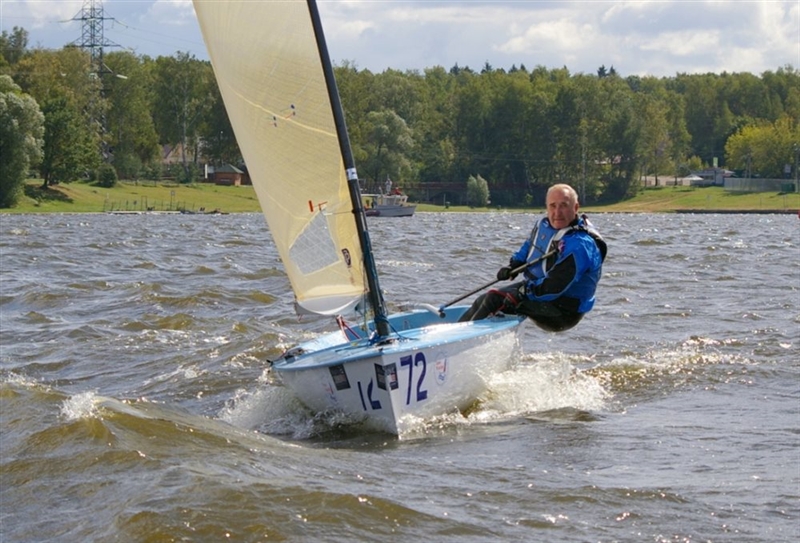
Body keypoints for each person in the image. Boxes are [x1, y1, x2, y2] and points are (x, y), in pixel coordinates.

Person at [459, 183, 607, 331]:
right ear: (547, 207)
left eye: (563, 205)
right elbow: (530, 246)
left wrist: (523, 292)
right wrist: (514, 265)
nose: (557, 212)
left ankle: (465, 339)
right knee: (483, 299)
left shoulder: (580, 246)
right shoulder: (546, 226)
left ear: (575, 208)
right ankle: (455, 331)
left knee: (494, 299)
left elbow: (554, 286)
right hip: (540, 290)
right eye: (553, 206)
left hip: (563, 311)